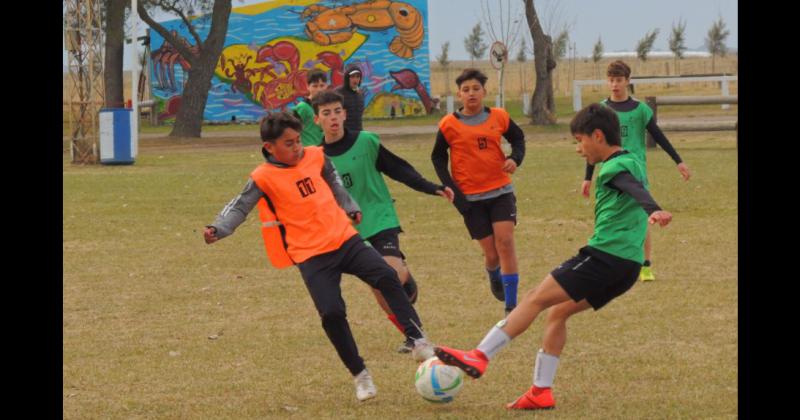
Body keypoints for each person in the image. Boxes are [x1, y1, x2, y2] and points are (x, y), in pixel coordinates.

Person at [433, 103, 674, 410]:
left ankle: (479, 356)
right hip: (627, 266)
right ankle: (540, 392)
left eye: (580, 141)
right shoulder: (632, 160)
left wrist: (653, 209)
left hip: (604, 257)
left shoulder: (614, 168)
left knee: (534, 298)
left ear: (597, 135)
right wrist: (652, 208)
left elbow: (631, 188)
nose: (579, 149)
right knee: (557, 313)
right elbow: (635, 185)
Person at [202, 111, 434, 402]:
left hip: (345, 239)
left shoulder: (316, 155)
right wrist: (218, 228)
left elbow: (334, 183)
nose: (297, 147)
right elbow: (238, 207)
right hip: (311, 255)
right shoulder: (262, 177)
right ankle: (360, 374)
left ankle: (418, 339)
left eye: (298, 140)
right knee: (332, 313)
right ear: (269, 147)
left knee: (387, 276)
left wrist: (349, 207)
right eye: (288, 143)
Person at [313, 90, 455, 353]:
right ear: (316, 120)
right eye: (326, 113)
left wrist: (430, 187)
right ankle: (413, 336)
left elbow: (398, 169)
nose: (333, 117)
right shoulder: (316, 157)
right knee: (379, 285)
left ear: (344, 114)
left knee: (391, 274)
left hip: (379, 217)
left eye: (336, 111)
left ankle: (406, 282)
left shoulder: (366, 142)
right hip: (349, 230)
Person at [581, 60, 691, 282]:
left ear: (627, 81)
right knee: (608, 216)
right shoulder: (602, 110)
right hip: (610, 173)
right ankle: (605, 259)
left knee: (643, 216)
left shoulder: (641, 110)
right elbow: (593, 144)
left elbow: (659, 136)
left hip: (635, 172)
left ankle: (645, 265)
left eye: (619, 80)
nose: (614, 85)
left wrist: (678, 161)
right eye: (611, 80)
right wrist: (587, 178)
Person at [431, 68, 526, 316]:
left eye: (476, 88)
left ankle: (511, 305)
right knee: (492, 254)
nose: (471, 93)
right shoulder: (449, 124)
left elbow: (518, 138)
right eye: (466, 90)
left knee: (505, 243)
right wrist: (453, 192)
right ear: (459, 94)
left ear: (484, 91)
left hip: (500, 190)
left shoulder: (499, 116)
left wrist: (515, 158)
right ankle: (493, 274)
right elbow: (438, 159)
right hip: (470, 199)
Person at [291, 69, 328, 146]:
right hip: (307, 149)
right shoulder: (302, 107)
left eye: (322, 85)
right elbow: (291, 130)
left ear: (326, 86)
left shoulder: (326, 106)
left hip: (322, 149)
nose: (319, 89)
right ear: (308, 86)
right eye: (315, 86)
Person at [335, 63, 365, 132]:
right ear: (347, 78)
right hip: (343, 133)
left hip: (358, 132)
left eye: (358, 77)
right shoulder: (338, 93)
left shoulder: (360, 94)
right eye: (352, 77)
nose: (355, 79)